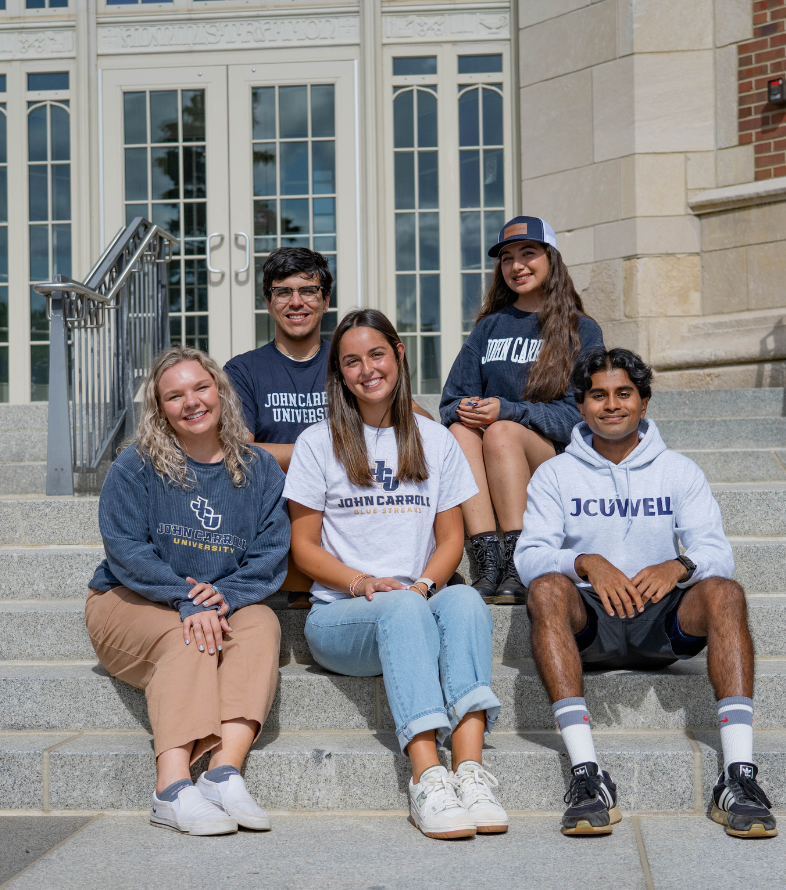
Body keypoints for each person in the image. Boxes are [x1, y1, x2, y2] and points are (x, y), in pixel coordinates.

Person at [515, 347, 777, 839]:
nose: (611, 404)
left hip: (662, 622)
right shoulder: (555, 473)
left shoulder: (679, 470)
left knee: (726, 592)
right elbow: (528, 557)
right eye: (598, 395)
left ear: (644, 402)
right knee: (548, 588)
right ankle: (587, 775)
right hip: (591, 622)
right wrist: (585, 562)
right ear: (581, 405)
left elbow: (717, 552)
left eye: (623, 393)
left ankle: (738, 777)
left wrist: (677, 566)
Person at [283, 309, 508, 840]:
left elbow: (452, 540)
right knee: (405, 606)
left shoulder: (434, 439)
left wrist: (425, 584)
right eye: (351, 361)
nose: (367, 370)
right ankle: (427, 776)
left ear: (399, 353)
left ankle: (470, 774)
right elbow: (303, 548)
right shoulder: (319, 442)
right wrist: (363, 582)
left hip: (413, 601)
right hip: (341, 618)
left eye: (376, 354)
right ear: (339, 374)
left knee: (466, 602)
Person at [85, 345, 290, 836]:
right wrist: (184, 599)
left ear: (220, 391)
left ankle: (223, 773)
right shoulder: (135, 465)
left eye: (201, 387)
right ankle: (171, 789)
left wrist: (227, 596)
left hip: (219, 599)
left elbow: (270, 550)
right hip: (129, 598)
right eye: (174, 396)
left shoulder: (259, 469)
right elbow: (125, 549)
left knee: (262, 624)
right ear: (160, 409)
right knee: (188, 636)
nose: (191, 402)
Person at [440, 216, 604, 605]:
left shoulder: (582, 329)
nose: (517, 266)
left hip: (553, 456)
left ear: (552, 259)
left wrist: (508, 411)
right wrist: (468, 407)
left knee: (501, 430)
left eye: (528, 254)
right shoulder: (489, 327)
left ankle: (519, 561)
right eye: (507, 258)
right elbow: (449, 400)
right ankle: (487, 559)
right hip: (497, 456)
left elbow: (583, 417)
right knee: (461, 430)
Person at [225, 247, 432, 474]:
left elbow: (422, 423)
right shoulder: (243, 370)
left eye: (308, 291)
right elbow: (240, 451)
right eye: (283, 292)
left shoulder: (350, 363)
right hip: (275, 503)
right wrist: (331, 450)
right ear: (268, 303)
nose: (296, 302)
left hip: (348, 500)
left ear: (325, 301)